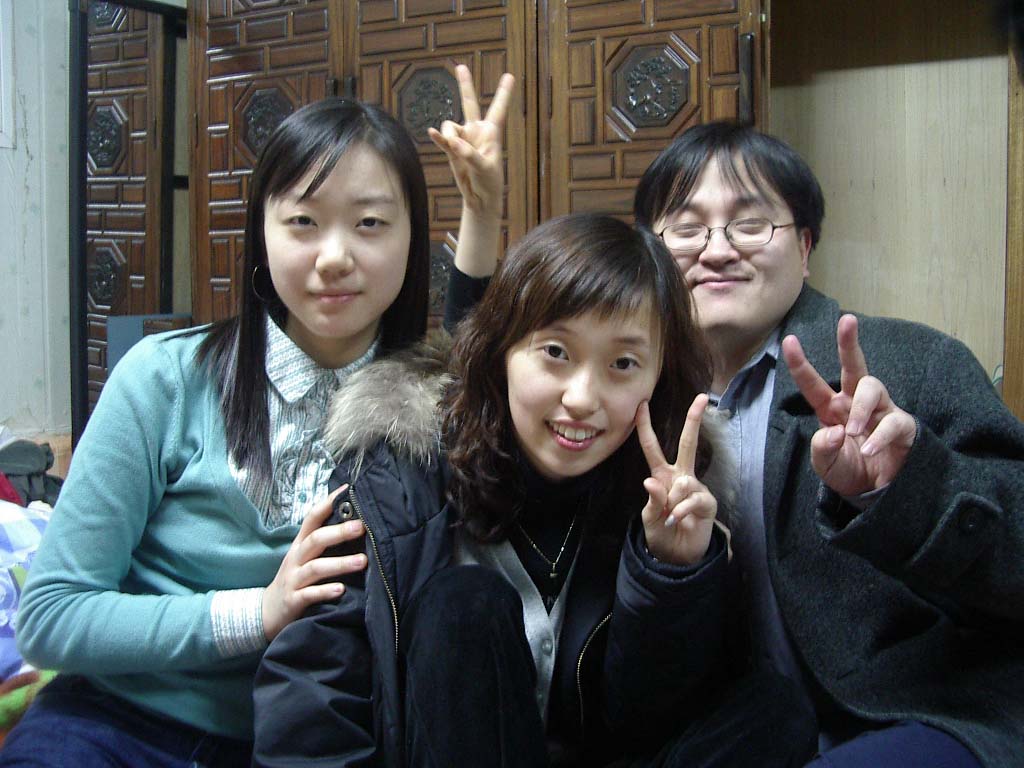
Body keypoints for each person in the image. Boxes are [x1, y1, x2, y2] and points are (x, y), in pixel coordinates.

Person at [0, 67, 513, 767]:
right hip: (117, 725)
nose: (335, 257)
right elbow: (52, 616)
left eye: (370, 223)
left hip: (307, 743)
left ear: (411, 239)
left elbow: (474, 354)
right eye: (303, 222)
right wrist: (257, 612)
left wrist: (483, 214)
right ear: (261, 235)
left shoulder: (418, 402)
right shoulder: (164, 379)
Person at [253, 213, 818, 767]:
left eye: (623, 363)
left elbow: (645, 722)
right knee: (464, 606)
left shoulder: (667, 491)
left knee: (777, 711)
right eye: (556, 353)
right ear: (501, 349)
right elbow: (316, 686)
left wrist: (668, 574)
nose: (582, 398)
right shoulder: (399, 470)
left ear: (658, 376)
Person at [632, 121, 1024, 767]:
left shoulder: (911, 363)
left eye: (750, 224)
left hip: (921, 711)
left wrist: (909, 488)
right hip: (733, 730)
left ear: (805, 246)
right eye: (686, 227)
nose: (717, 250)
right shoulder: (632, 395)